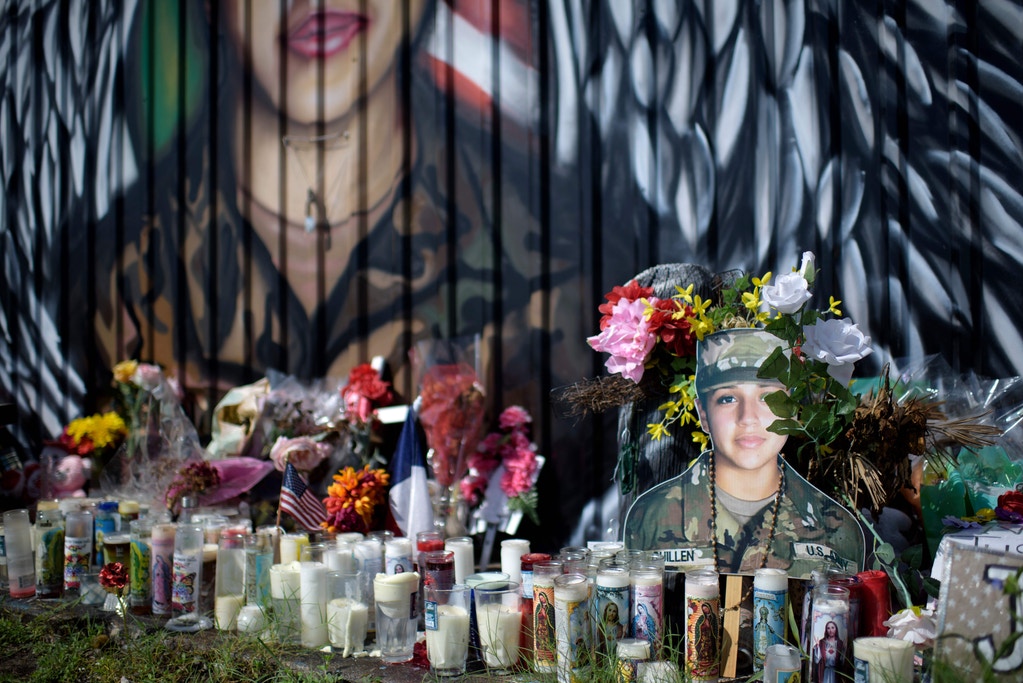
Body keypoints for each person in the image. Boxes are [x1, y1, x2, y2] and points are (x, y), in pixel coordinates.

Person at [621, 328, 865, 579]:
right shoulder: (651, 517)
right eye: (728, 398)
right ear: (703, 413)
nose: (748, 418)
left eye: (769, 398)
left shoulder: (836, 528)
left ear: (793, 411)